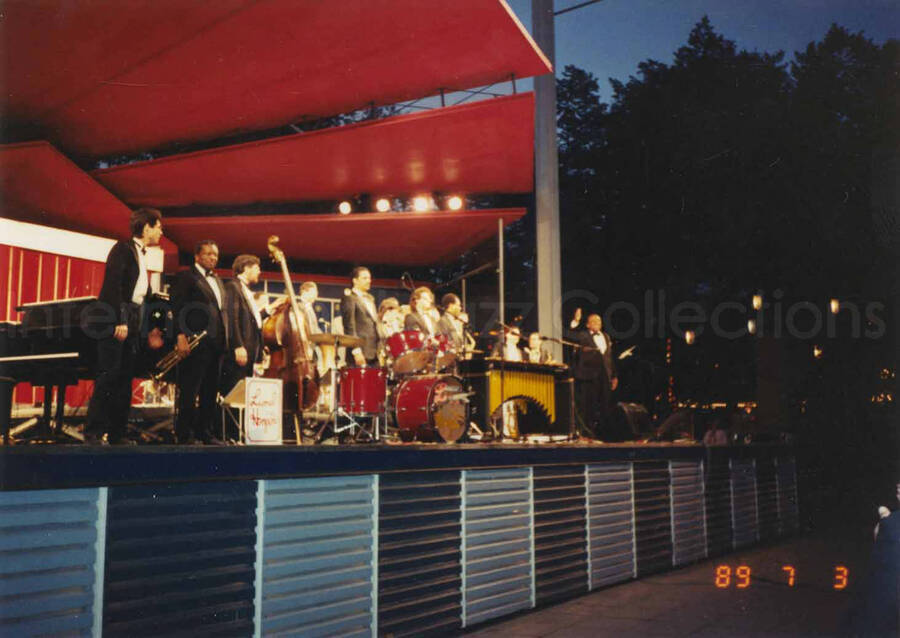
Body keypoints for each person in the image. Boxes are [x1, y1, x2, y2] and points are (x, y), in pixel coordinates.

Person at [85, 208, 163, 444]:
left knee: (125, 378)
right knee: (109, 376)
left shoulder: (143, 254)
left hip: (134, 318)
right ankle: (93, 433)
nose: (161, 232)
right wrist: (119, 320)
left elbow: (142, 293)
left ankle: (117, 434)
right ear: (147, 227)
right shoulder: (123, 249)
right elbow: (113, 285)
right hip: (118, 318)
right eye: (158, 227)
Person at [171, 240, 228, 445]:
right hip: (195, 342)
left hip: (216, 343)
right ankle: (184, 434)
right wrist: (180, 336)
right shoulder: (186, 277)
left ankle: (205, 432)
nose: (213, 257)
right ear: (197, 257)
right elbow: (177, 307)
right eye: (209, 254)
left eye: (216, 255)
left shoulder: (219, 280)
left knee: (210, 391)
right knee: (190, 389)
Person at [221, 255, 285, 397]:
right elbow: (231, 318)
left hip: (248, 353)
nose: (259, 272)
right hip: (240, 351)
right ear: (246, 269)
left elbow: (251, 320)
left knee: (241, 396)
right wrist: (237, 345)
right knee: (233, 395)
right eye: (257, 268)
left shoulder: (243, 289)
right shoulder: (233, 287)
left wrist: (270, 308)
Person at [567, 307, 618, 439]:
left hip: (605, 376)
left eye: (599, 321)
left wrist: (614, 376)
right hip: (588, 376)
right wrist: (575, 322)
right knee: (589, 406)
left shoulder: (606, 336)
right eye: (593, 321)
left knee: (605, 406)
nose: (597, 322)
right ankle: (587, 434)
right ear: (587, 324)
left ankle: (603, 435)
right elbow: (572, 337)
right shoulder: (583, 335)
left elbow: (609, 357)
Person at [340, 266, 382, 366]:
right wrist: (356, 351)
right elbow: (349, 326)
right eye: (364, 278)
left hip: (374, 352)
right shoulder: (350, 297)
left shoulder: (370, 299)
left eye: (369, 278)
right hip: (360, 353)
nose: (369, 281)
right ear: (355, 281)